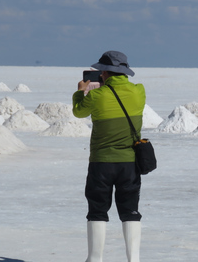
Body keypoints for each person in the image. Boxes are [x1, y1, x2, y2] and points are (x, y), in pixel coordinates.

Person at [72, 50, 146, 262]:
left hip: (101, 163)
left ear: (104, 72)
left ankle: (95, 259)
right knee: (130, 210)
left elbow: (78, 112)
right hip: (130, 163)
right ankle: (134, 259)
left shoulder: (95, 95)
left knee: (97, 210)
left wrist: (80, 92)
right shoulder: (139, 91)